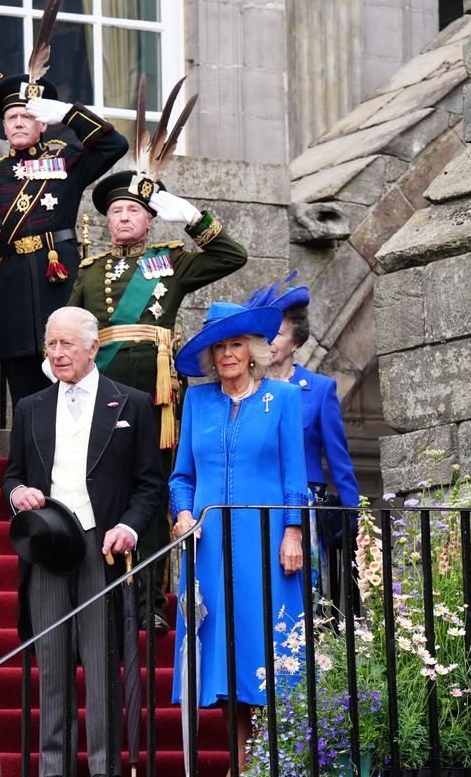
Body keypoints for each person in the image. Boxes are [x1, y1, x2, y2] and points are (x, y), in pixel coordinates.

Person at [69, 171, 248, 634]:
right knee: (105, 493)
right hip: (102, 392)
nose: (122, 218)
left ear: (150, 221)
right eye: (115, 212)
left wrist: (192, 217)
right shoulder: (90, 271)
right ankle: (105, 602)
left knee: (151, 493)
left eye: (133, 211)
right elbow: (69, 328)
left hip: (156, 393)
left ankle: (149, 602)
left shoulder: (169, 263)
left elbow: (232, 255)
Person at [2, 306, 166, 777]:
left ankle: (103, 770)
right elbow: (11, 475)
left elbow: (150, 483)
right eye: (51, 344)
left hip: (103, 548)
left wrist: (130, 528)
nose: (56, 354)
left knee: (100, 668)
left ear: (93, 348)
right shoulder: (30, 406)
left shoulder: (130, 403)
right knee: (51, 668)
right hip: (47, 548)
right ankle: (54, 769)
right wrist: (17, 492)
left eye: (66, 344)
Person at [169, 302, 310, 772]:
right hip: (207, 547)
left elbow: (296, 475)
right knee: (222, 653)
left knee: (265, 645)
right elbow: (180, 477)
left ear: (252, 351)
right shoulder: (198, 402)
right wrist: (184, 513)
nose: (227, 354)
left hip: (266, 545)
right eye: (219, 347)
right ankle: (241, 759)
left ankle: (275, 756)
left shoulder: (283, 399)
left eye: (235, 345)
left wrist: (293, 530)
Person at [0, 76, 128, 403]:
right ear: (3, 127)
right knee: (24, 396)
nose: (19, 123)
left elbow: (115, 145)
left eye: (27, 116)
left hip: (59, 281)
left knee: (73, 385)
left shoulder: (66, 160)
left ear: (43, 123)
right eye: (12, 118)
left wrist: (69, 113)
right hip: (14, 288)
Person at [246, 278, 360, 605]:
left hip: (305, 507)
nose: (269, 341)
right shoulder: (248, 390)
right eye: (264, 333)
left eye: (278, 334)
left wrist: (355, 520)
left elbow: (339, 461)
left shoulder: (320, 389)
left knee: (306, 594)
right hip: (258, 500)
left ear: (295, 342)